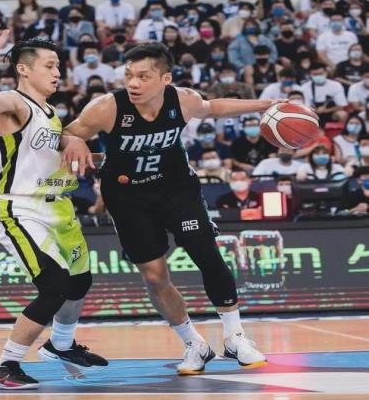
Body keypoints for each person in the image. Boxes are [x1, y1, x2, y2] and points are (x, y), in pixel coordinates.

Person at [62, 43, 276, 376]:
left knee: (206, 253)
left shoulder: (183, 100)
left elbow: (212, 108)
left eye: (143, 76)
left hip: (176, 189)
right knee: (154, 276)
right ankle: (194, 344)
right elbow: (68, 131)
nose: (133, 83)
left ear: (165, 78)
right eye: (128, 75)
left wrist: (266, 104)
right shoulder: (106, 107)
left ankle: (235, 337)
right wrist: (74, 140)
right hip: (128, 197)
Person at [0, 11, 107, 390]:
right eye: (49, 65)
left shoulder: (50, 114)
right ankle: (4, 365)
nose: (57, 71)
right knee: (54, 285)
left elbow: (54, 155)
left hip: (56, 206)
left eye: (58, 65)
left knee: (79, 281)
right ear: (23, 70)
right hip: (19, 207)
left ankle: (61, 345)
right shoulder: (14, 103)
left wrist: (89, 151)